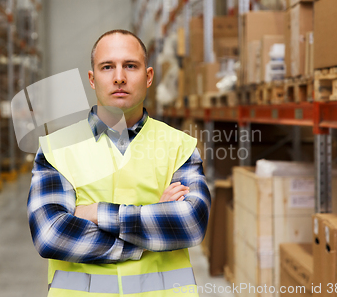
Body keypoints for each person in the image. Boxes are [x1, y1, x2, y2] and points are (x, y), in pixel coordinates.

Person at [27, 29, 211, 296]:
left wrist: (96, 213)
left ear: (148, 77)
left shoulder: (179, 146)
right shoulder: (57, 149)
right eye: (107, 67)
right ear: (92, 79)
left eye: (130, 66)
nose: (119, 77)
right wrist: (151, 223)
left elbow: (189, 224)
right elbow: (53, 235)